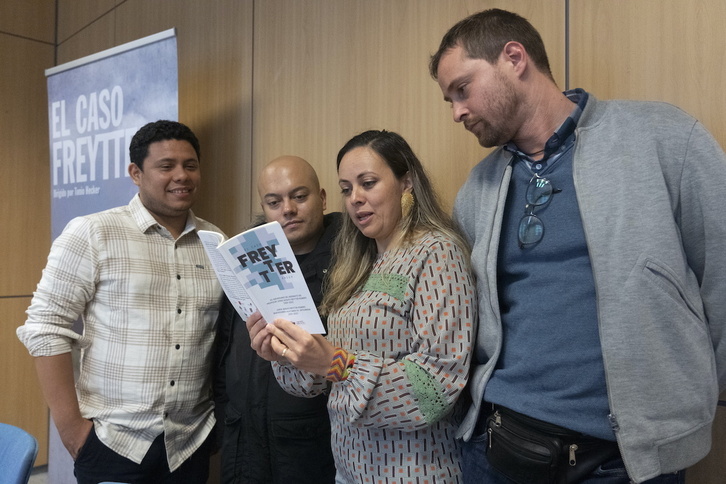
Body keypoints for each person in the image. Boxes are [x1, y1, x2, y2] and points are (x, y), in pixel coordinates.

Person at [429, 8, 726, 484]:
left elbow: (722, 273)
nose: (457, 112)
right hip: (499, 449)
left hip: (626, 461)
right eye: (449, 99)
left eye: (462, 89)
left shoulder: (663, 137)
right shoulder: (478, 189)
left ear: (514, 58)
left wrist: (689, 394)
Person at [247, 130, 477, 483]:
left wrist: (336, 363)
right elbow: (319, 381)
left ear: (407, 182)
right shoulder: (356, 261)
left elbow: (435, 389)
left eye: (367, 183)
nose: (355, 198)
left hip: (413, 471)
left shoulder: (436, 252)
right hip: (350, 469)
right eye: (346, 188)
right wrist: (287, 355)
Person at [17, 120, 224, 483]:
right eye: (166, 166)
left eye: (190, 165)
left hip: (190, 443)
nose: (182, 175)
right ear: (135, 173)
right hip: (113, 442)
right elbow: (45, 327)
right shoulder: (93, 232)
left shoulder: (216, 241)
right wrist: (72, 431)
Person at [214, 155, 339, 483]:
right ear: (264, 207)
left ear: (322, 198)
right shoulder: (243, 261)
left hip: (311, 452)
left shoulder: (350, 264)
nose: (288, 209)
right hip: (243, 443)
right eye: (274, 201)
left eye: (299, 196)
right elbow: (224, 354)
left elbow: (348, 367)